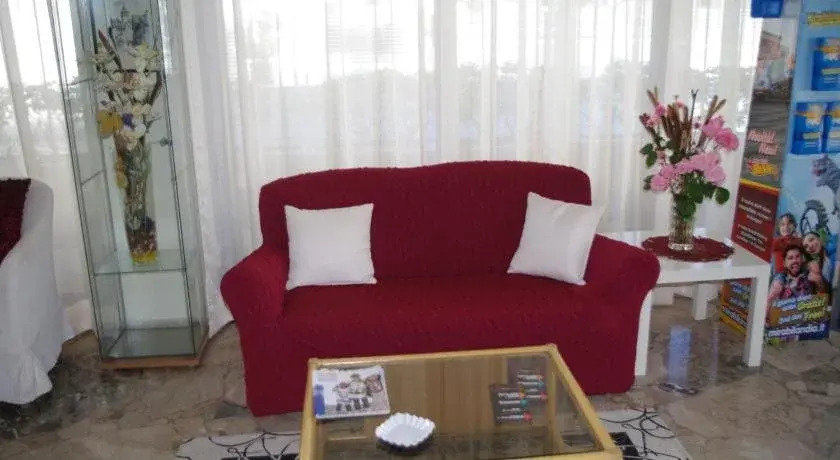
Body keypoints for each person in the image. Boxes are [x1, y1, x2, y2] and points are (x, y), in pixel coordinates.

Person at [768, 244, 813, 308]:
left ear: (802, 259)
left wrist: (819, 281)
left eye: (797, 257)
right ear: (784, 263)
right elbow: (770, 302)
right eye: (790, 258)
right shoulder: (780, 279)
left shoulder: (809, 275)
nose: (795, 260)